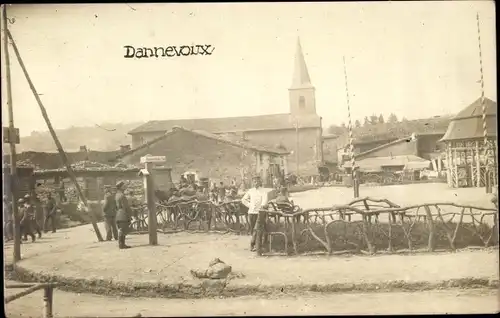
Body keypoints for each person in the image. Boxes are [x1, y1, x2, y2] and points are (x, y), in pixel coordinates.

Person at [241, 176, 269, 251]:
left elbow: (265, 200)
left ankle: (253, 244)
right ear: (252, 182)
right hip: (251, 212)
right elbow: (243, 199)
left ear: (260, 182)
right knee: (253, 229)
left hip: (259, 213)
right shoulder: (250, 191)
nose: (255, 183)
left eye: (257, 181)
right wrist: (249, 205)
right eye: (254, 181)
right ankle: (256, 245)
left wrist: (262, 206)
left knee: (257, 229)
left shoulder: (263, 191)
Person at [115, 181, 135, 249]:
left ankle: (122, 244)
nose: (125, 187)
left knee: (121, 229)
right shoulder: (122, 196)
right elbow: (125, 207)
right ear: (120, 187)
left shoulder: (117, 195)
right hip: (123, 214)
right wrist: (130, 214)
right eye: (123, 186)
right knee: (122, 229)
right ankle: (121, 244)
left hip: (118, 213)